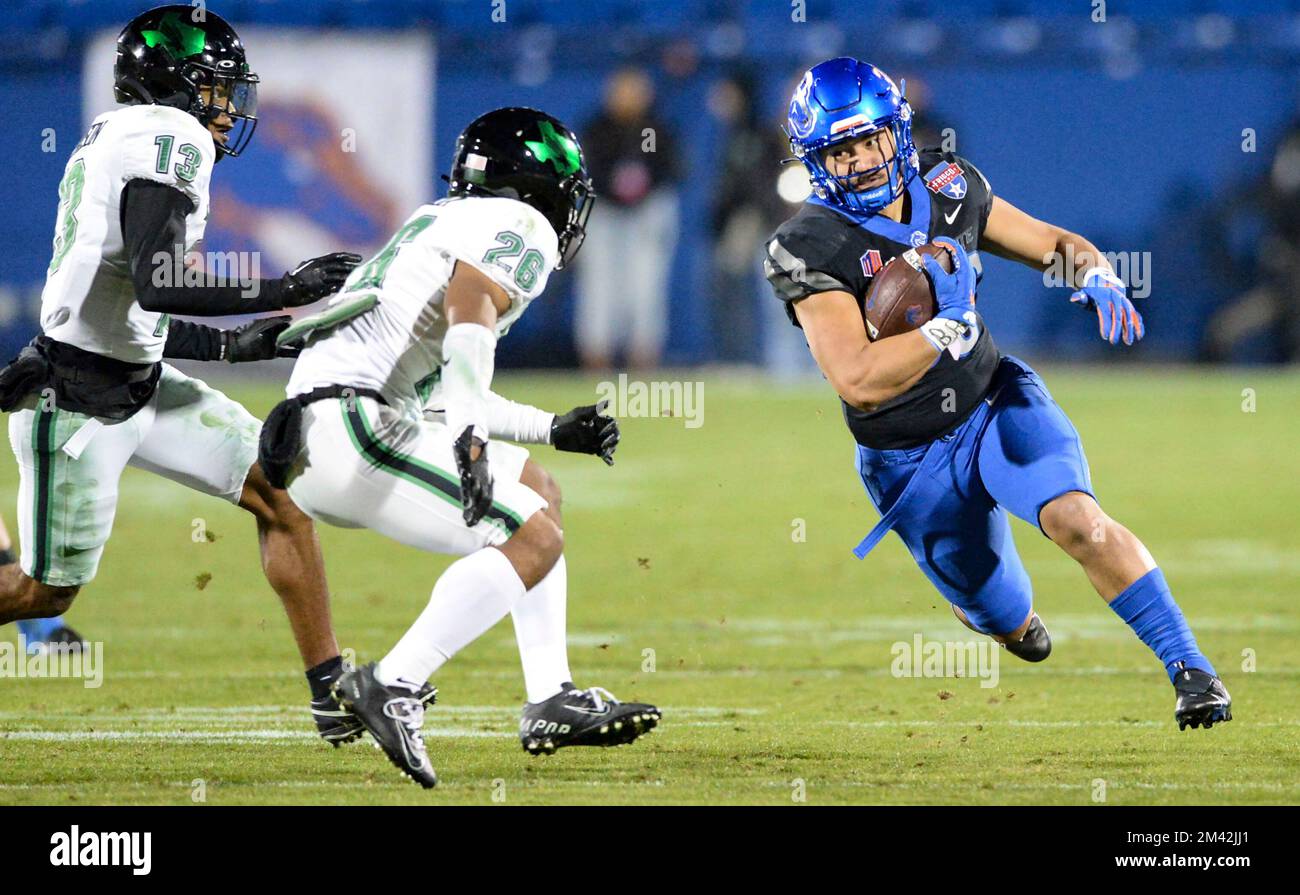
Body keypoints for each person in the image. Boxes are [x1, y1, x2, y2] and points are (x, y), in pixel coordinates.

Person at [763, 57, 1231, 730]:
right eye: (842, 149)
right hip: (908, 458)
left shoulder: (950, 184)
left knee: (1079, 520)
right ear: (816, 158)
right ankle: (1003, 620)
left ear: (898, 130)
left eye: (871, 139)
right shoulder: (807, 245)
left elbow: (1051, 244)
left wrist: (1093, 271)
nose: (863, 159)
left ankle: (1193, 671)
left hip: (990, 401)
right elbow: (859, 380)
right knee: (1002, 613)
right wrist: (943, 330)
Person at [261, 107, 661, 788]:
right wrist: (472, 439)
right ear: (535, 183)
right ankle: (394, 680)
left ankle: (550, 696)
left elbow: (442, 380)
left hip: (327, 429)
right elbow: (469, 316)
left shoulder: (444, 220)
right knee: (533, 536)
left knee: (537, 491)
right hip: (353, 425)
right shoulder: (519, 224)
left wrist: (547, 427)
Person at [0, 5, 366, 742]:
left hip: (135, 380)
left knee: (279, 491)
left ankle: (333, 691)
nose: (229, 106)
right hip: (76, 402)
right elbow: (159, 281)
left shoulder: (122, 136)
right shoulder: (171, 137)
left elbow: (139, 311)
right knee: (42, 593)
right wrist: (282, 289)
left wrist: (243, 345)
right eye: (217, 87)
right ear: (176, 83)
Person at [575, 67, 679, 370]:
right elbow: (586, 169)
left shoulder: (654, 128)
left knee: (645, 287)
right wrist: (616, 186)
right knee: (599, 288)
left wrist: (641, 185)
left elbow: (668, 166)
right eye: (623, 90)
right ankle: (596, 363)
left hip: (646, 214)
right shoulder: (597, 127)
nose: (629, 98)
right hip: (604, 213)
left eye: (635, 91)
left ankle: (642, 362)